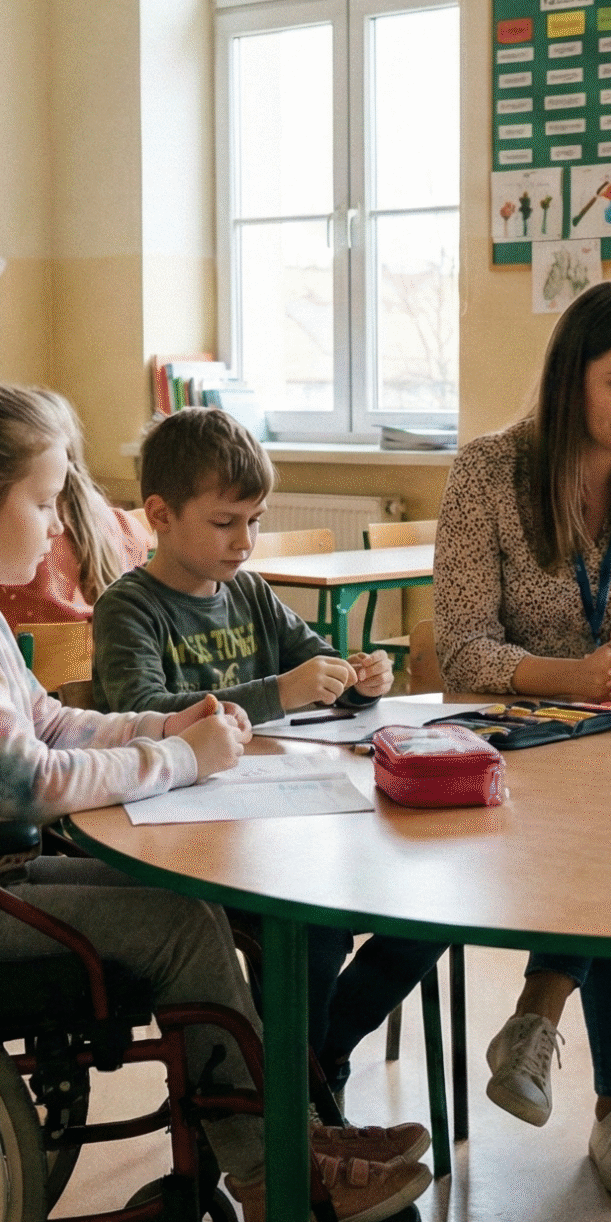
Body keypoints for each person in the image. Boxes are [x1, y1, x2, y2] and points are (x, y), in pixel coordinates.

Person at [0, 379, 429, 1222]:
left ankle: (279, 1129)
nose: (59, 525)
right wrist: (173, 760)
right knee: (177, 924)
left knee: (188, 903)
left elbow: (48, 721)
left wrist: (167, 723)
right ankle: (271, 1168)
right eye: (47, 502)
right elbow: (22, 779)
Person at [436, 279, 611, 1202]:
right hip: (514, 744)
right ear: (571, 380)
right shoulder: (488, 471)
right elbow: (462, 645)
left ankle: (539, 1014)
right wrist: (576, 677)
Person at [91, 406, 440, 1106]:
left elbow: (313, 657)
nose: (246, 540)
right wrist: (281, 691)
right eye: (226, 522)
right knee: (310, 930)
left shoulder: (248, 591)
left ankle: (311, 1064)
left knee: (425, 906)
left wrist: (357, 679)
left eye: (255, 519)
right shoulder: (129, 606)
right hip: (187, 832)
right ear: (160, 514)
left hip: (278, 814)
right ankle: (297, 1095)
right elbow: (148, 711)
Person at [0, 393, 150, 627]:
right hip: (101, 657)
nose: (55, 526)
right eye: (43, 504)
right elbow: (146, 536)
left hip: (34, 660)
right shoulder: (115, 520)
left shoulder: (8, 547)